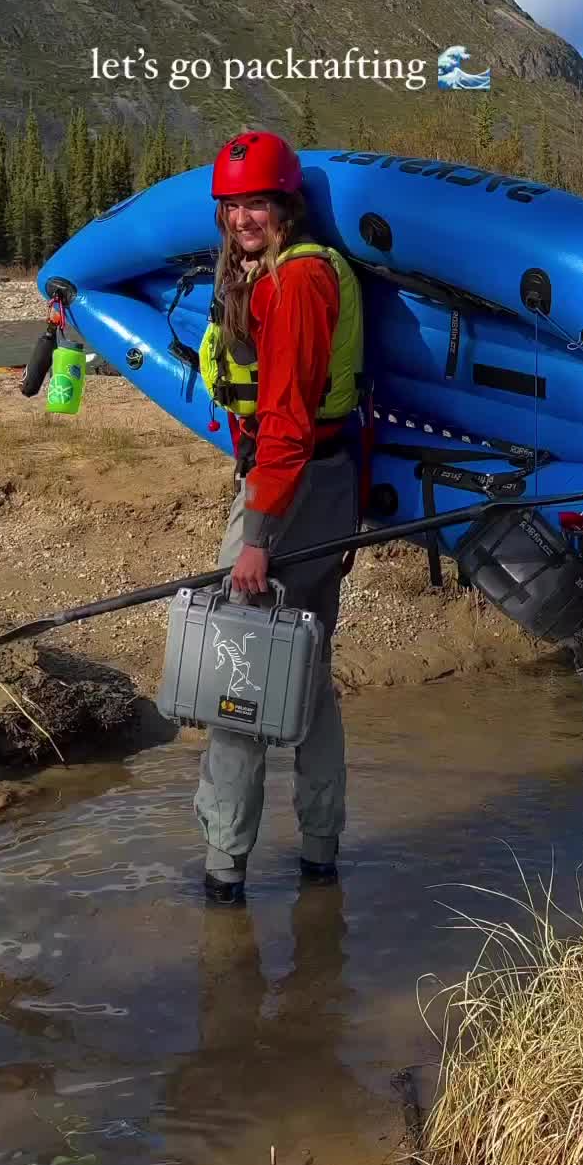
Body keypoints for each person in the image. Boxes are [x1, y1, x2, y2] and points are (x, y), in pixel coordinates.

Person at [195, 130, 365, 905]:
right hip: (326, 486)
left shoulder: (296, 284)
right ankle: (320, 860)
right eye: (233, 206)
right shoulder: (290, 271)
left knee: (238, 683)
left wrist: (257, 540)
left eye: (257, 203)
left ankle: (224, 873)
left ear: (286, 206)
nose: (242, 220)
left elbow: (288, 425)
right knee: (310, 671)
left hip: (290, 491)